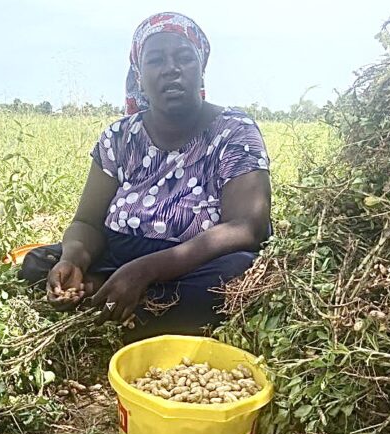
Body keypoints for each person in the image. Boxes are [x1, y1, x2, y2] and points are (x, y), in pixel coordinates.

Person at [19, 12, 271, 343]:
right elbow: (87, 223)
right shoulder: (120, 137)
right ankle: (109, 296)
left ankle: (112, 301)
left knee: (235, 275)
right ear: (139, 75)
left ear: (201, 68)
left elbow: (247, 228)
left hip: (193, 263)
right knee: (40, 262)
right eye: (155, 59)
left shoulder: (235, 131)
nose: (171, 68)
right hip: (118, 254)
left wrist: (145, 271)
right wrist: (72, 260)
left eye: (184, 57)